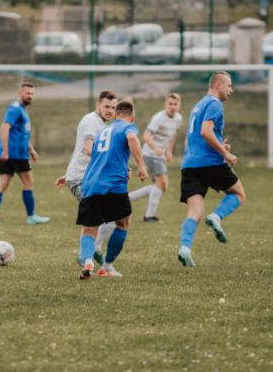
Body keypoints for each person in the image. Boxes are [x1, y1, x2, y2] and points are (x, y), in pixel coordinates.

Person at [177, 71, 247, 268]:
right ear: (217, 85)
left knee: (194, 212)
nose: (231, 90)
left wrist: (220, 146)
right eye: (229, 86)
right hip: (210, 162)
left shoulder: (198, 106)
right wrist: (225, 154)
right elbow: (205, 132)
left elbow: (193, 138)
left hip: (189, 164)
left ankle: (185, 248)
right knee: (239, 194)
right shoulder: (215, 104)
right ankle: (216, 216)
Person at [77, 101, 147, 279]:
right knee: (123, 224)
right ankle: (107, 266)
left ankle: (88, 261)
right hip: (113, 186)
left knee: (89, 230)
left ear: (115, 115)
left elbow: (100, 157)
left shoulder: (102, 131)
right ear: (132, 118)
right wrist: (141, 167)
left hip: (91, 184)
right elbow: (132, 139)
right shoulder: (127, 128)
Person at [54, 90, 119, 265]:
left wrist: (67, 175)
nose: (110, 111)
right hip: (81, 179)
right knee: (96, 216)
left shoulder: (104, 126)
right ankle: (87, 254)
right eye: (106, 106)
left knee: (109, 217)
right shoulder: (91, 121)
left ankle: (91, 251)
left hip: (86, 177)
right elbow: (89, 149)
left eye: (113, 108)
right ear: (98, 105)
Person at [0, 82, 49, 225]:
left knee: (4, 182)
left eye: (32, 94)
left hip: (14, 152)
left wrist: (31, 150)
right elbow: (4, 129)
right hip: (15, 154)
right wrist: (6, 151)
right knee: (28, 182)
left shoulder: (22, 110)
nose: (30, 96)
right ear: (20, 93)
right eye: (27, 93)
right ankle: (31, 216)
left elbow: (22, 133)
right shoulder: (15, 109)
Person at [129, 93, 183, 222]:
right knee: (162, 183)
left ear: (179, 105)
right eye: (170, 103)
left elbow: (173, 135)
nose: (172, 106)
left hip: (160, 155)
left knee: (161, 186)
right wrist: (156, 148)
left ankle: (126, 199)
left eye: (175, 104)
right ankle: (149, 216)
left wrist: (169, 151)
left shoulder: (178, 118)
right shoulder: (158, 118)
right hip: (150, 153)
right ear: (165, 104)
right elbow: (146, 136)